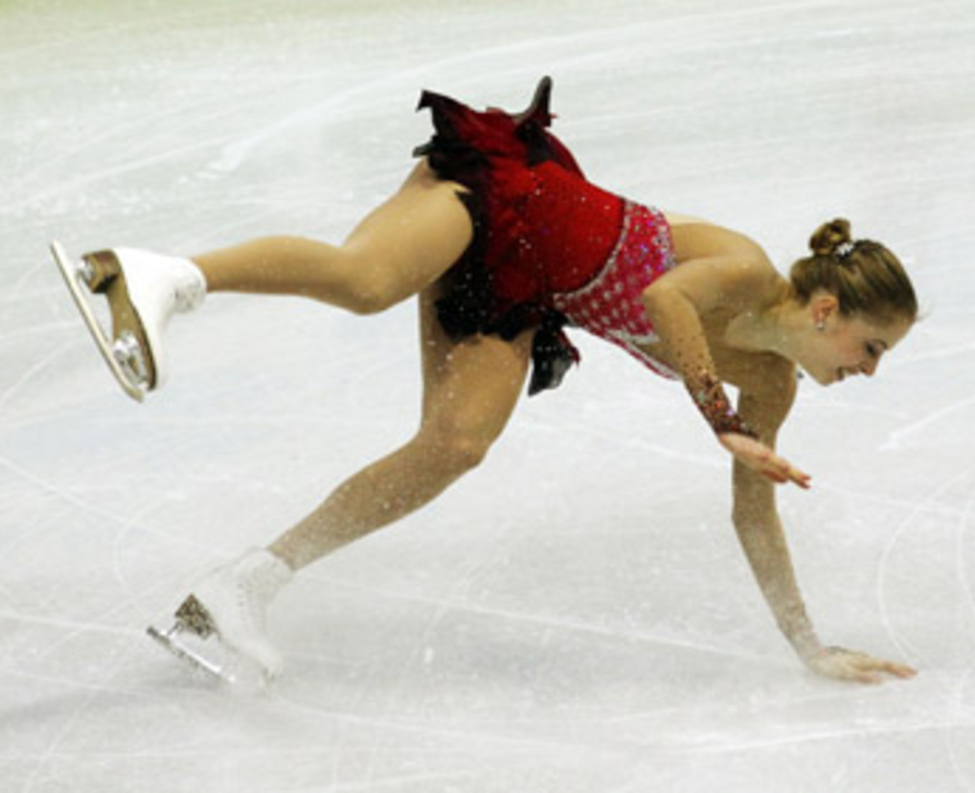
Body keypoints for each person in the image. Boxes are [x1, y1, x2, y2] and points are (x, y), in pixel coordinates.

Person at [70, 77, 919, 686]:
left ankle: (243, 585)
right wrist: (717, 418)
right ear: (825, 310)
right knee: (367, 280)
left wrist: (809, 646)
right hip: (497, 199)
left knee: (456, 443)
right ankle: (162, 276)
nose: (870, 369)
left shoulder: (772, 386)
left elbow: (753, 513)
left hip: (523, 286)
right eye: (871, 345)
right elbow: (667, 301)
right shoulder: (745, 269)